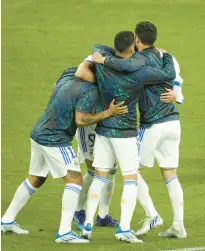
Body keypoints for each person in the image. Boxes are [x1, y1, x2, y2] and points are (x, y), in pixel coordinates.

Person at [0, 67, 127, 243]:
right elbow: (81, 120)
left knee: (36, 178)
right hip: (55, 138)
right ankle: (64, 233)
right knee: (75, 180)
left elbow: (54, 89)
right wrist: (108, 113)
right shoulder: (90, 91)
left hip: (39, 132)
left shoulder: (68, 76)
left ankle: (6, 220)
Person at [78, 31, 176, 243]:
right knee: (130, 180)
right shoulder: (140, 71)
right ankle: (123, 229)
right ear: (133, 48)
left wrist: (107, 59)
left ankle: (87, 227)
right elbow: (167, 74)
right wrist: (166, 56)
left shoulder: (102, 62)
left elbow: (97, 46)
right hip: (126, 133)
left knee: (99, 177)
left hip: (104, 129)